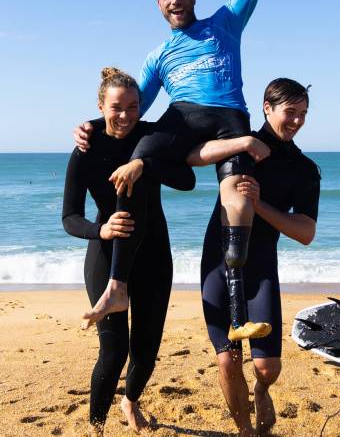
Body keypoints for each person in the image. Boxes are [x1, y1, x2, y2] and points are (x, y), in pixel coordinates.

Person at [74, 0, 309, 342]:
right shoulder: (159, 55)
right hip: (182, 117)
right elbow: (127, 112)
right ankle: (117, 287)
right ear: (158, 6)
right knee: (133, 168)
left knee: (239, 201)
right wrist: (89, 124)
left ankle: (240, 317)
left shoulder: (226, 22)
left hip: (230, 118)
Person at [61, 68, 196, 435]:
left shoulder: (151, 137)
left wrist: (144, 163)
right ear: (101, 106)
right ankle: (96, 427)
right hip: (106, 255)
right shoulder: (85, 151)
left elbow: (188, 180)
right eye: (117, 107)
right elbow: (69, 217)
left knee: (146, 349)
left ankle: (131, 401)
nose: (125, 116)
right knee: (113, 350)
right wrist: (100, 230)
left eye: (133, 107)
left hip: (153, 252)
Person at [186, 78, 320, 437]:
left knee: (267, 369)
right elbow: (192, 156)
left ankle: (261, 392)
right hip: (218, 261)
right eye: (290, 112)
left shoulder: (303, 169)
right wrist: (242, 141)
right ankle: (245, 430)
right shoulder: (238, 145)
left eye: (304, 114)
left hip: (260, 268)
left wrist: (260, 206)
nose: (297, 121)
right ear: (267, 107)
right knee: (228, 360)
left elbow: (305, 232)